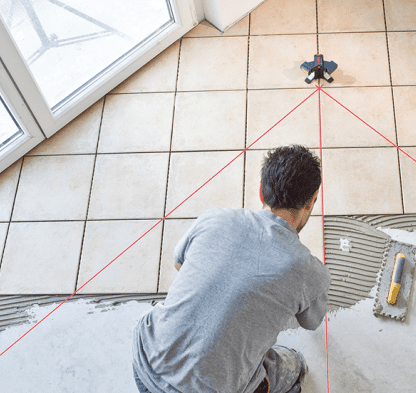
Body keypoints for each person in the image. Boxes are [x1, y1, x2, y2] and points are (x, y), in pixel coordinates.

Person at [132, 145, 331, 393]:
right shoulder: (310, 272)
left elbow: (179, 263)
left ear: (261, 191)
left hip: (145, 361)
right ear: (311, 202)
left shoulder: (215, 219)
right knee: (293, 363)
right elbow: (311, 322)